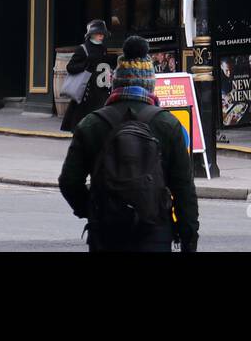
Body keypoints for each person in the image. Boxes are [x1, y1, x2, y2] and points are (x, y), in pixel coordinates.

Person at [58, 35, 199, 253]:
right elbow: (184, 188)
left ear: (116, 82)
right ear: (150, 84)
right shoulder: (168, 124)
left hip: (106, 233)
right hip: (154, 233)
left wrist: (92, 209)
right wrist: (188, 237)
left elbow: (69, 181)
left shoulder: (91, 124)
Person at [60, 20, 111, 132]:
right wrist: (85, 64)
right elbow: (70, 67)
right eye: (98, 33)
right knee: (82, 123)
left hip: (101, 89)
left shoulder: (103, 49)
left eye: (102, 34)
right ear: (91, 34)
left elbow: (104, 67)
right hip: (86, 91)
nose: (101, 36)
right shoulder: (82, 49)